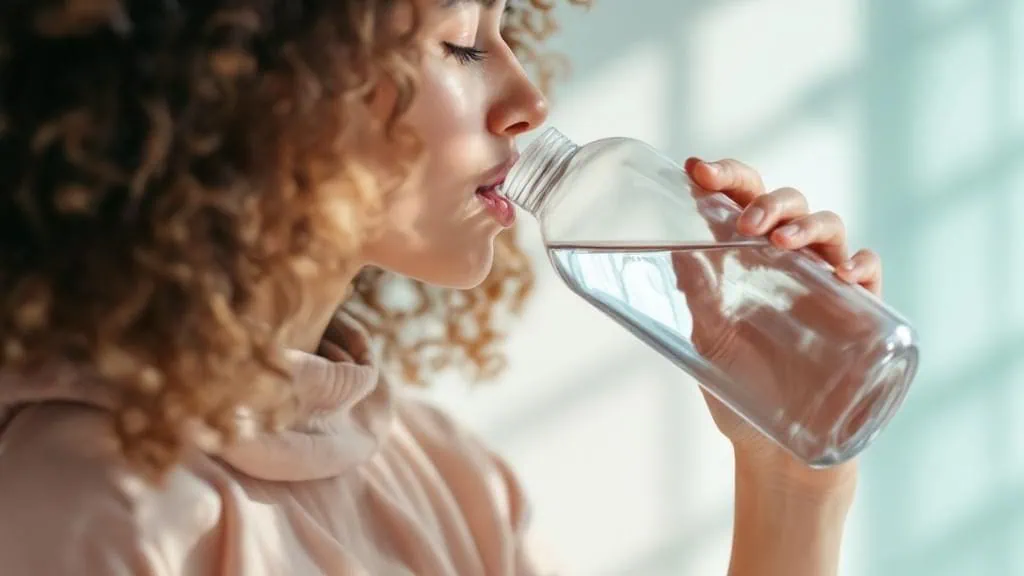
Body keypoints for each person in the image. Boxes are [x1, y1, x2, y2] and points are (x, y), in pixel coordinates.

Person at [0, 1, 883, 574]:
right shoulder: (84, 510)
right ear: (255, 80)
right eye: (463, 41)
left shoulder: (447, 476)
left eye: (506, 29)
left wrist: (790, 485)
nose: (529, 97)